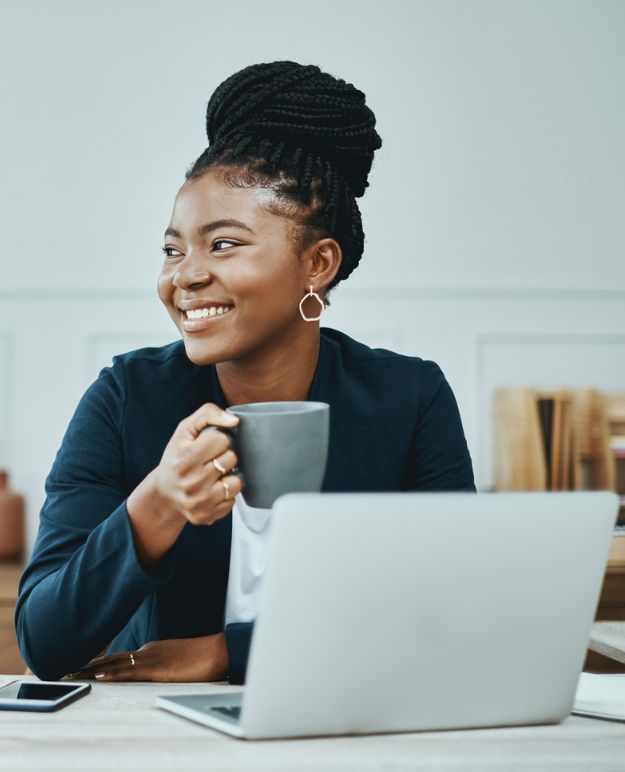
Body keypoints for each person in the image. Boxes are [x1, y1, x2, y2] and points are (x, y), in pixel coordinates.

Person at [15, 61, 475, 685]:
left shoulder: (409, 398)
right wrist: (156, 503)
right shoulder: (124, 397)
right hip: (159, 738)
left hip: (349, 724)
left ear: (318, 263)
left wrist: (227, 653)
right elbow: (44, 643)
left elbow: (452, 613)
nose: (185, 275)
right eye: (173, 249)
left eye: (223, 244)